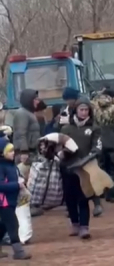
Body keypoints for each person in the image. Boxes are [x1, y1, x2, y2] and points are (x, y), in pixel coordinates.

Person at [59, 98, 101, 239]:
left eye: (86, 110)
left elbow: (97, 148)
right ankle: (74, 223)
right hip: (68, 168)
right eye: (81, 110)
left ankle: (84, 226)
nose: (84, 112)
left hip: (85, 168)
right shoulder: (66, 129)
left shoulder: (94, 128)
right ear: (75, 111)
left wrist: (86, 160)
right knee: (70, 198)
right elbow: (58, 145)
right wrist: (61, 153)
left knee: (83, 197)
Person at [12, 89, 42, 217]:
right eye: (35, 99)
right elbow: (20, 133)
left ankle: (29, 206)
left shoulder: (29, 113)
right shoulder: (22, 114)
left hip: (32, 151)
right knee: (23, 181)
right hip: (25, 153)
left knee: (31, 179)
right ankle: (23, 207)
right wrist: (23, 151)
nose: (37, 101)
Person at [0, 137, 32, 260]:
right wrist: (17, 185)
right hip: (4, 201)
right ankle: (18, 251)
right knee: (13, 224)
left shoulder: (11, 165)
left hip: (11, 200)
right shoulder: (1, 166)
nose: (13, 153)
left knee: (3, 225)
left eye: (13, 150)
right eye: (9, 151)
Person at [91, 88, 114, 203]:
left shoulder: (94, 106)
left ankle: (101, 193)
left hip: (99, 136)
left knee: (101, 166)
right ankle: (113, 195)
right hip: (113, 136)